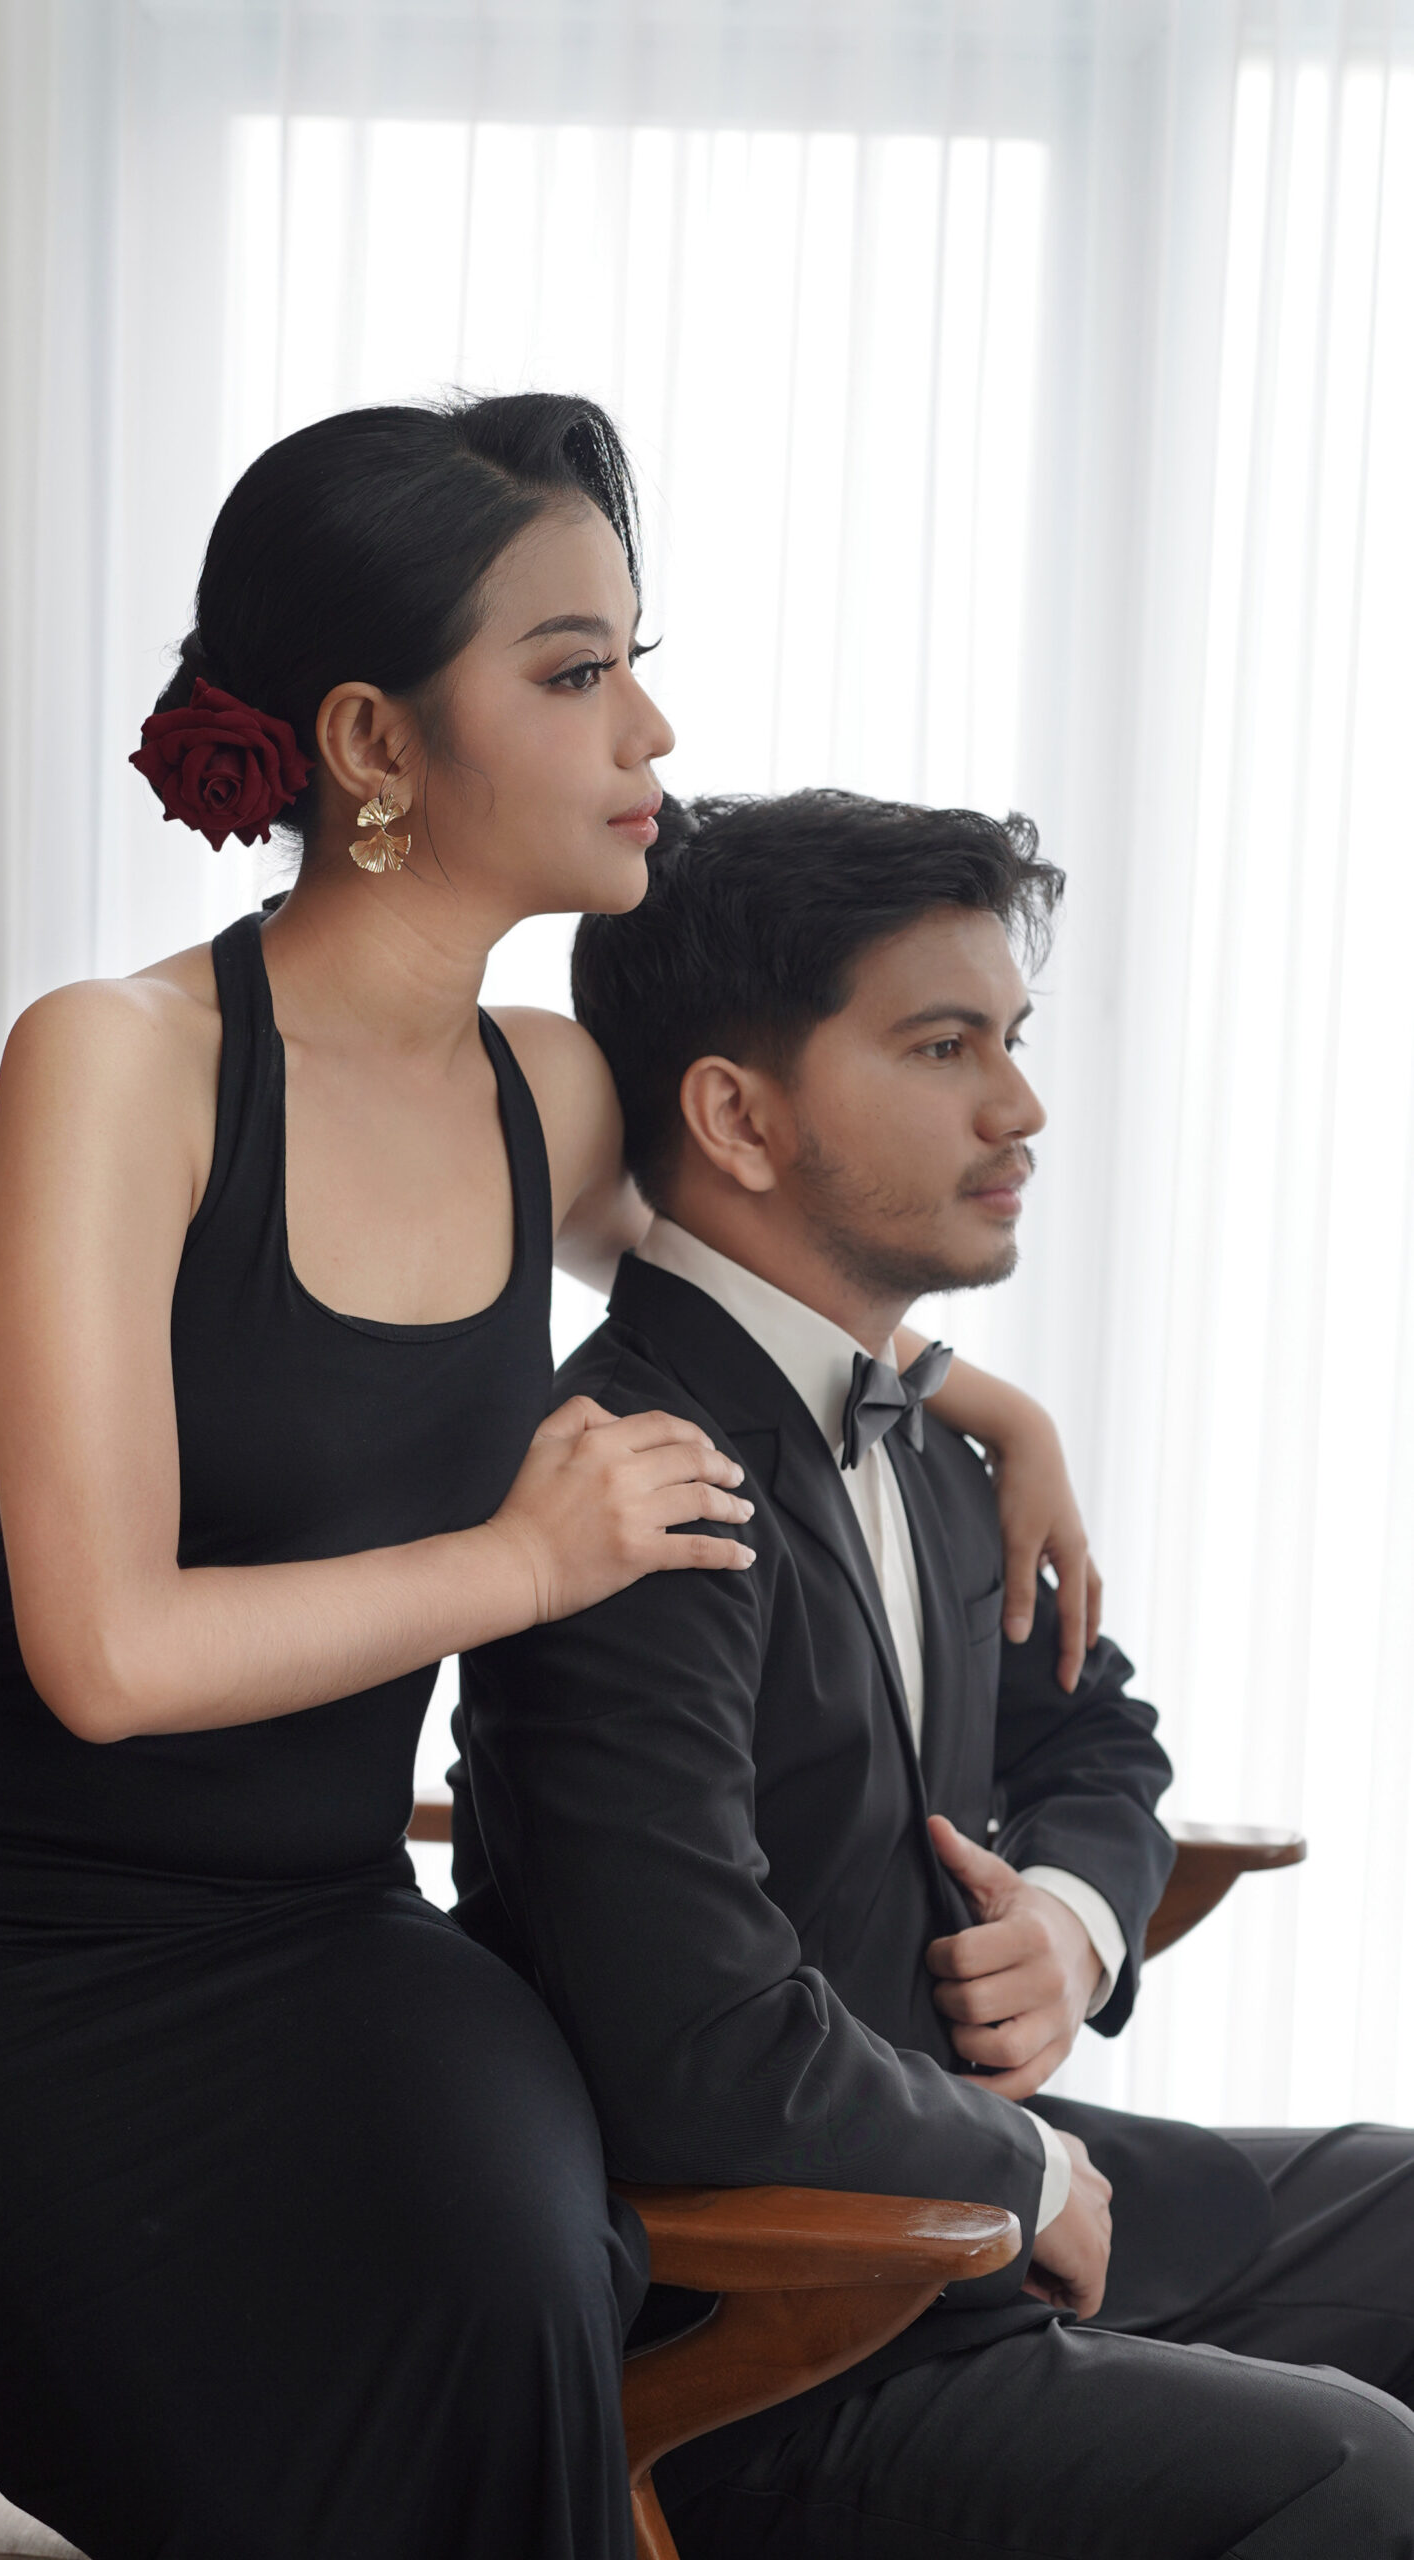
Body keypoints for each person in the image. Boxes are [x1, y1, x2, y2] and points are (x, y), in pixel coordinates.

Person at [0, 400, 1101, 2560]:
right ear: (372, 739)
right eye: (572, 670)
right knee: (400, 2366)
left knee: (537, 2267)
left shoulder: (552, 1092)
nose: (648, 727)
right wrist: (520, 1562)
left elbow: (766, 1286)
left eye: (635, 659)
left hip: (317, 1928)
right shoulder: (121, 1063)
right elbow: (104, 1652)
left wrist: (992, 1407)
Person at [450, 787, 1414, 2560]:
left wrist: (1073, 1925)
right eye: (945, 1046)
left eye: (1013, 1041)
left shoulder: (927, 1439)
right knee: (1357, 2473)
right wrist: (1026, 2168)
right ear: (738, 1116)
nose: (1020, 1107)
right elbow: (695, 2045)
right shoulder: (623, 1492)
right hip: (788, 2331)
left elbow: (1100, 1741)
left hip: (976, 2226)